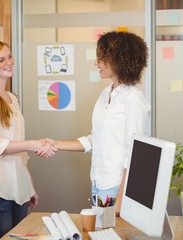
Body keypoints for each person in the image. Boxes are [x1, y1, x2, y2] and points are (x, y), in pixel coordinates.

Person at [44, 31, 151, 215]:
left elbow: (135, 153)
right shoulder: (106, 93)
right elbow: (96, 139)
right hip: (99, 183)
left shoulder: (133, 99)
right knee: (101, 232)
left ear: (119, 60)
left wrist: (120, 198)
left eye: (101, 58)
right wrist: (57, 144)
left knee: (112, 233)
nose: (96, 63)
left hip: (117, 187)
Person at [0, 40, 57, 240]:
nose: (8, 62)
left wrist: (28, 185)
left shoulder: (12, 99)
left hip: (19, 187)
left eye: (9, 56)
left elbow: (20, 153)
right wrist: (34, 144)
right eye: (1, 59)